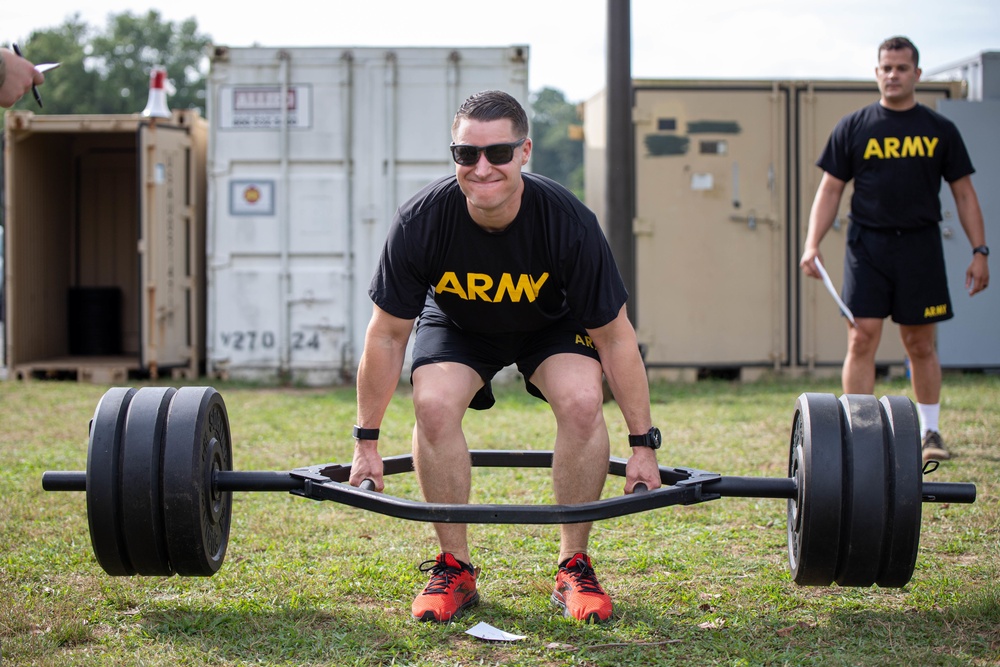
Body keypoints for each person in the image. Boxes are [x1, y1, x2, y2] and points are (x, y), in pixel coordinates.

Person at [347, 89, 662, 624]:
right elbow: (386, 336)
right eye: (467, 154)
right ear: (455, 156)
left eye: (498, 153)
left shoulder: (568, 221)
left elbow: (614, 337)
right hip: (462, 325)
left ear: (524, 152)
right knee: (434, 404)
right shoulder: (422, 220)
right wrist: (366, 442)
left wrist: (642, 445)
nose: (482, 167)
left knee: (584, 399)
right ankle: (454, 567)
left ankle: (574, 565)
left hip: (549, 325)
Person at [800, 36, 989, 464]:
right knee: (861, 336)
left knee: (919, 343)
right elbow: (830, 190)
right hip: (867, 246)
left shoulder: (939, 130)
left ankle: (930, 432)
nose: (893, 75)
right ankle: (858, 433)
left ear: (917, 74)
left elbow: (964, 194)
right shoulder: (854, 126)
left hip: (920, 247)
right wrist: (812, 243)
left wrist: (981, 250)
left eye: (902, 68)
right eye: (886, 67)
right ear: (876, 72)